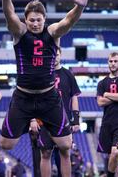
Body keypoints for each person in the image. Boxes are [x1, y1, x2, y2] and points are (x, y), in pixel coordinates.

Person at [0, 0, 88, 177]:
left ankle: (43, 123)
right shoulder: (20, 32)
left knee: (66, 143)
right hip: (23, 97)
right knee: (6, 144)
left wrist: (79, 8)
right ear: (26, 20)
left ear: (44, 20)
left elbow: (68, 21)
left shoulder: (53, 33)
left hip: (49, 98)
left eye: (39, 20)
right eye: (32, 20)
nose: (36, 23)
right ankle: (25, 123)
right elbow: (9, 15)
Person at [30, 47, 81, 177]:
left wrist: (76, 120)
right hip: (45, 120)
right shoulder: (42, 74)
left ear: (60, 56)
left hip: (64, 120)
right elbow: (34, 98)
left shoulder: (68, 74)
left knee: (65, 152)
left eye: (57, 54)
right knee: (45, 153)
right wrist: (33, 119)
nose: (55, 57)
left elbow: (74, 97)